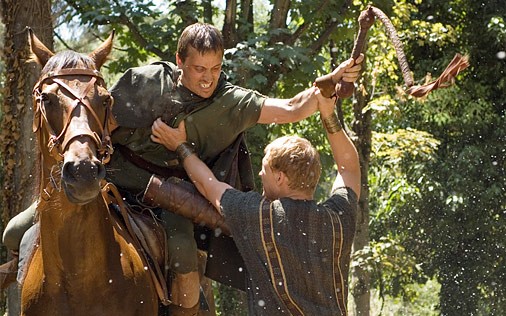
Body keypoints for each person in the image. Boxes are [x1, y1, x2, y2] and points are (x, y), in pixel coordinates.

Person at [2, 22, 362, 315]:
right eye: (198, 69)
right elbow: (93, 120)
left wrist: (328, 84)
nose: (208, 79)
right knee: (15, 231)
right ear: (179, 61)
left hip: (171, 196)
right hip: (111, 176)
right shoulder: (144, 83)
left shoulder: (232, 101)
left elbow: (293, 109)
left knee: (184, 260)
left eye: (216, 68)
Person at [148, 71, 361, 314]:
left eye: (265, 170)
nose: (260, 175)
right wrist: (328, 115)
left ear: (280, 177)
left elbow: (209, 185)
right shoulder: (338, 218)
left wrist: (179, 146)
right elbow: (349, 168)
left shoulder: (259, 216)